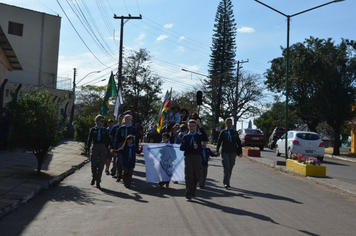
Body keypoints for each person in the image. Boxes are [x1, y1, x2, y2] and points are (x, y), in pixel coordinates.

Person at [180, 119, 207, 201]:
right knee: (189, 175)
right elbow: (182, 147)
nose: (192, 128)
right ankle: (188, 193)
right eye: (190, 126)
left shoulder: (198, 136)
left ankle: (193, 191)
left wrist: (200, 126)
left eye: (193, 126)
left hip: (197, 157)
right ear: (188, 127)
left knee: (197, 175)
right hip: (189, 157)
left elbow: (205, 137)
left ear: (195, 127)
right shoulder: (186, 136)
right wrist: (191, 147)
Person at [86, 115, 113, 188]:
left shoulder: (105, 130)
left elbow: (109, 139)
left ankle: (98, 181)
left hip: (102, 147)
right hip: (95, 146)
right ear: (97, 121)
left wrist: (112, 147)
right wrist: (88, 150)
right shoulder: (93, 129)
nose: (103, 122)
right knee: (94, 165)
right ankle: (94, 176)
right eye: (102, 121)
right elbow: (89, 140)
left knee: (101, 165)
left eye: (103, 121)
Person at [215, 118, 242, 189]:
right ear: (226, 124)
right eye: (228, 123)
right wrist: (217, 150)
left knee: (231, 166)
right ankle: (226, 183)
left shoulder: (235, 132)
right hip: (225, 152)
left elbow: (238, 142)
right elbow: (219, 142)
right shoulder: (223, 132)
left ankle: (227, 180)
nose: (229, 124)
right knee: (226, 166)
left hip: (233, 151)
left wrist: (240, 152)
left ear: (232, 124)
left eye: (230, 123)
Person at [113, 114, 139, 182]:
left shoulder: (133, 129)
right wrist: (115, 148)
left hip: (130, 146)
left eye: (130, 119)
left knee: (128, 161)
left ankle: (127, 176)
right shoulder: (121, 128)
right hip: (121, 145)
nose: (128, 121)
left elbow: (136, 140)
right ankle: (119, 175)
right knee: (119, 161)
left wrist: (137, 148)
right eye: (127, 119)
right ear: (124, 120)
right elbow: (117, 138)